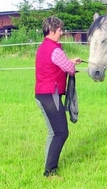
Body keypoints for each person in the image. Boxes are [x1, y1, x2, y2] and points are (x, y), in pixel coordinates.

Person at [35, 16, 81, 178]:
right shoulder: (55, 49)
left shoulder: (43, 47)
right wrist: (73, 64)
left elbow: (57, 62)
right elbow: (69, 69)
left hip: (42, 95)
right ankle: (50, 171)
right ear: (52, 31)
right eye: (60, 30)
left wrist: (71, 61)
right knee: (60, 133)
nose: (62, 32)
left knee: (53, 133)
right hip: (50, 95)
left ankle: (49, 167)